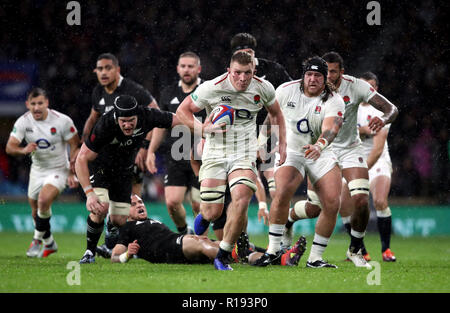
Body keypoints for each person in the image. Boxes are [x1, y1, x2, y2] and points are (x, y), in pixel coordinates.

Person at [283, 52, 398, 268]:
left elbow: (392, 109)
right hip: (321, 150)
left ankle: (355, 249)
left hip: (350, 149)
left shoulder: (356, 86)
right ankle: (289, 219)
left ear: (341, 72)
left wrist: (382, 120)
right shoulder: (310, 88)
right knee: (315, 207)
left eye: (333, 72)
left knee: (362, 200)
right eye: (325, 71)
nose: (326, 76)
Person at [175, 51, 287, 270]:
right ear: (229, 71)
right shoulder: (212, 87)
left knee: (241, 198)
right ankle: (205, 218)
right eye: (237, 73)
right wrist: (203, 128)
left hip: (244, 153)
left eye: (248, 73)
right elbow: (182, 111)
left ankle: (223, 254)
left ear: (254, 71)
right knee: (212, 212)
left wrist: (280, 142)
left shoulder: (263, 87)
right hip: (215, 153)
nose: (243, 78)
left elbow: (276, 113)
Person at [253, 56, 345, 268]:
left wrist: (319, 146)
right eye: (309, 74)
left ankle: (315, 259)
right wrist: (261, 142)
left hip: (320, 151)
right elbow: (271, 118)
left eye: (318, 76)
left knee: (331, 202)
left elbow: (331, 129)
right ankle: (274, 251)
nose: (312, 79)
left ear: (325, 79)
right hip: (292, 149)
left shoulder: (334, 100)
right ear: (303, 76)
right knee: (282, 190)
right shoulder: (286, 90)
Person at [75, 95, 180, 264]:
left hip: (123, 172)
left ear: (137, 115)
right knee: (100, 207)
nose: (127, 125)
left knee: (119, 220)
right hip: (100, 169)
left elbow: (177, 118)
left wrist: (203, 130)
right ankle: (89, 252)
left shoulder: (147, 115)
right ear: (116, 117)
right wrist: (89, 194)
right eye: (123, 121)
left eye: (131, 120)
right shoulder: (105, 124)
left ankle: (110, 230)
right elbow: (81, 159)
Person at [82, 53, 159, 257]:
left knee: (129, 208)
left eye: (108, 68)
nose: (104, 72)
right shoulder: (98, 92)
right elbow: (92, 119)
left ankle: (122, 240)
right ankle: (97, 249)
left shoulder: (134, 91)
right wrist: (81, 147)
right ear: (95, 72)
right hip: (102, 161)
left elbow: (155, 114)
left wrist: (145, 147)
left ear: (118, 70)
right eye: (100, 69)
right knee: (102, 205)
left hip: (130, 158)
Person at [111, 194, 306, 267]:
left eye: (140, 201)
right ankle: (236, 254)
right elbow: (115, 256)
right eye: (133, 204)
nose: (140, 205)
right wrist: (127, 254)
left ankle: (280, 258)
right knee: (202, 242)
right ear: (125, 212)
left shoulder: (150, 221)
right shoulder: (127, 228)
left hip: (178, 242)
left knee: (216, 244)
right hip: (170, 250)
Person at [6, 87, 80, 258]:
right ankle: (50, 243)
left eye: (40, 103)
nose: (37, 107)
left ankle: (36, 240)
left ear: (47, 103)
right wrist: (24, 150)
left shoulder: (62, 121)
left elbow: (75, 144)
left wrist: (71, 172)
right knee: (36, 211)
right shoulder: (23, 122)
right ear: (27, 105)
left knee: (44, 200)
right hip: (37, 170)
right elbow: (10, 147)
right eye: (33, 104)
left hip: (59, 169)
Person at [230, 32, 293, 216]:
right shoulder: (229, 76)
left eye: (249, 52)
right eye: (241, 54)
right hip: (242, 136)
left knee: (276, 188)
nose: (246, 57)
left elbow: (291, 96)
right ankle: (241, 239)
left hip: (270, 134)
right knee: (242, 190)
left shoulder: (273, 70)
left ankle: (279, 235)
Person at [146, 52, 205, 235]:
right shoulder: (168, 93)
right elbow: (160, 125)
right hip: (176, 158)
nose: (187, 70)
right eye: (183, 66)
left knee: (198, 203)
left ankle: (201, 241)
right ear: (178, 69)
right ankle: (184, 233)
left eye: (191, 66)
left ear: (198, 69)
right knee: (172, 202)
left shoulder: (208, 92)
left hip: (202, 158)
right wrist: (151, 150)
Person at [357, 71, 396, 262]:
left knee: (380, 201)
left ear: (377, 89)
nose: (368, 90)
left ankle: (386, 250)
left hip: (377, 160)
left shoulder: (381, 110)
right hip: (353, 158)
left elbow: (378, 147)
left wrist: (362, 171)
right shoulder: (349, 105)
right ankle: (360, 251)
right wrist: (363, 130)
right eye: (365, 86)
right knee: (345, 205)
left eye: (372, 86)